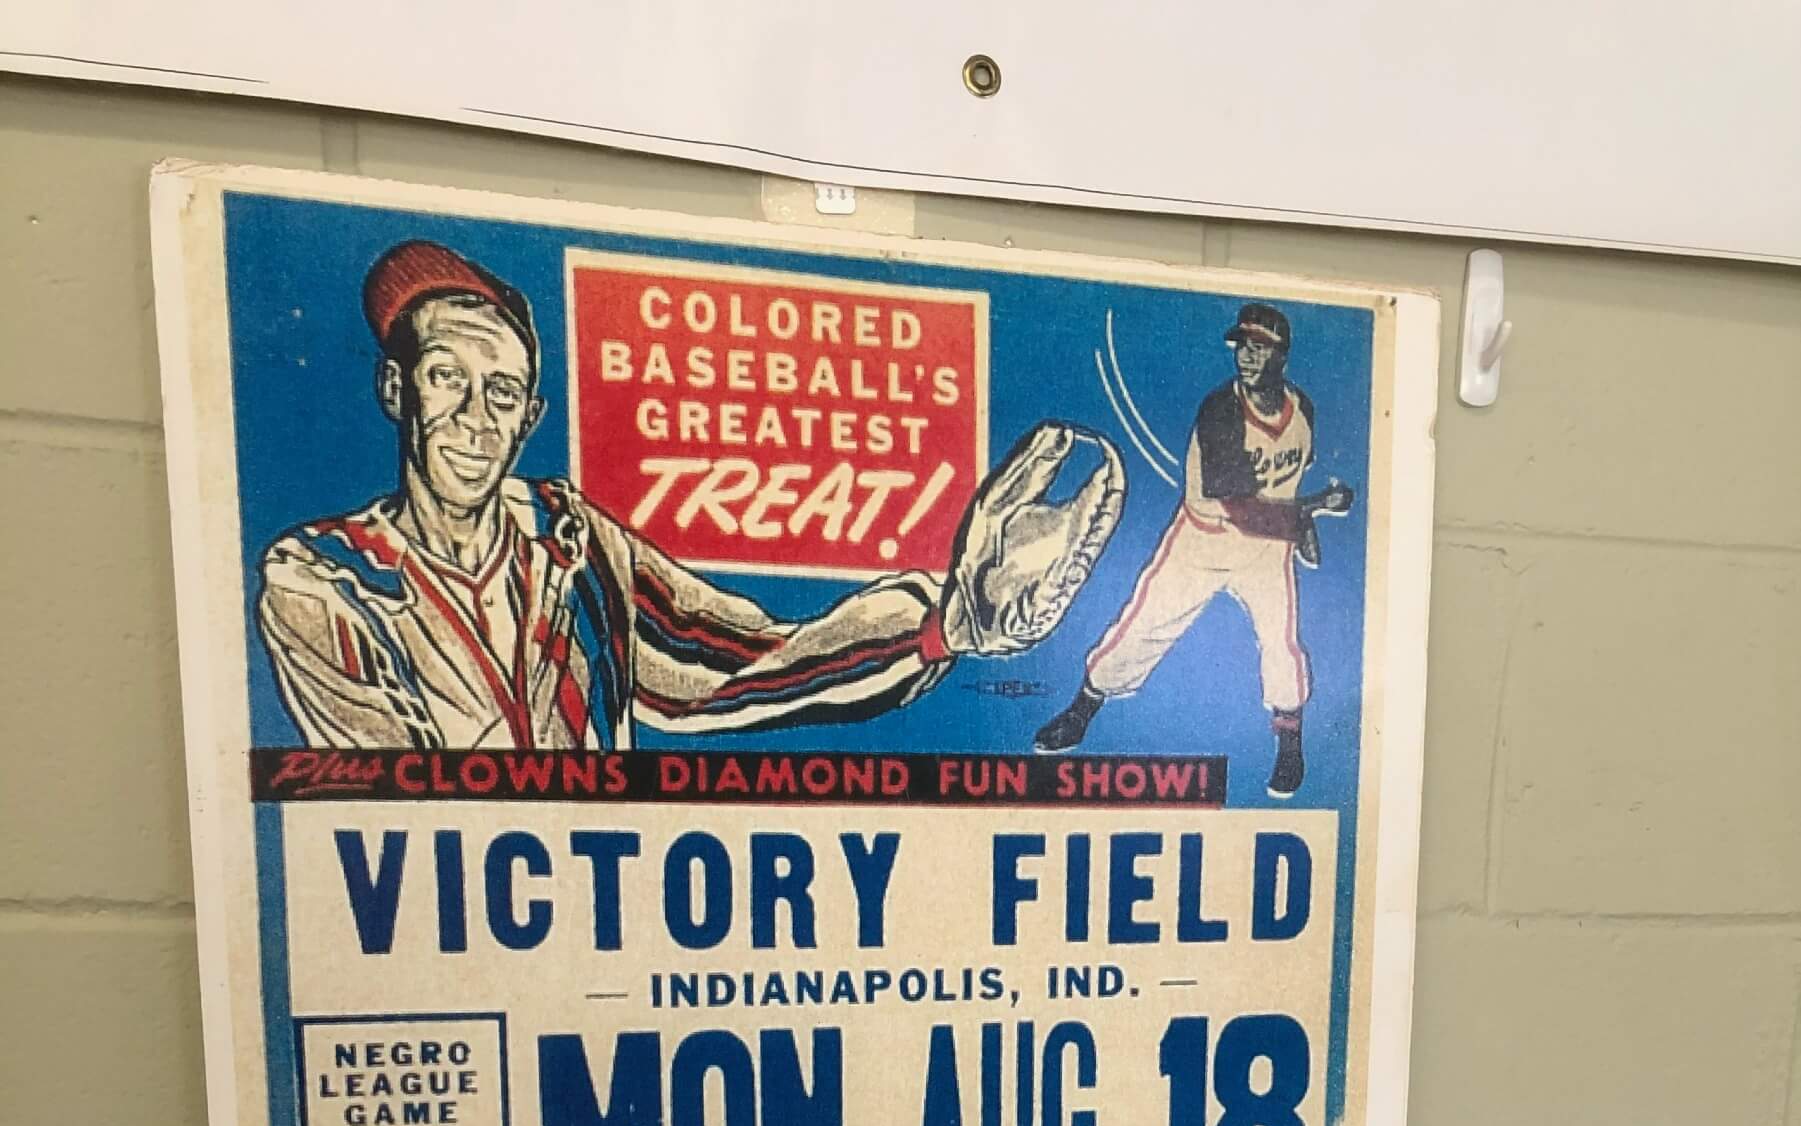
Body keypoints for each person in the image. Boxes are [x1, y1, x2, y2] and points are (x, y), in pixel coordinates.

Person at [257, 239, 1118, 752]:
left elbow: (726, 668)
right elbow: (401, 818)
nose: (476, 418)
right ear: (396, 389)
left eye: (505, 392)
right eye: (447, 378)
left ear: (532, 417)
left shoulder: (569, 538)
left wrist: (942, 627)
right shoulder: (322, 581)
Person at [1034, 302, 1354, 798]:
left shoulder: (1302, 408)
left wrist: (1303, 520)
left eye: (1260, 347)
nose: (1247, 356)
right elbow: (1242, 509)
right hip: (1205, 539)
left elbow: (1286, 487)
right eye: (1242, 345)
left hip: (1266, 551)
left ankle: (1289, 743)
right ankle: (1083, 708)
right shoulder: (1221, 410)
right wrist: (1313, 511)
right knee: (1142, 626)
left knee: (1281, 642)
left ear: (1282, 355)